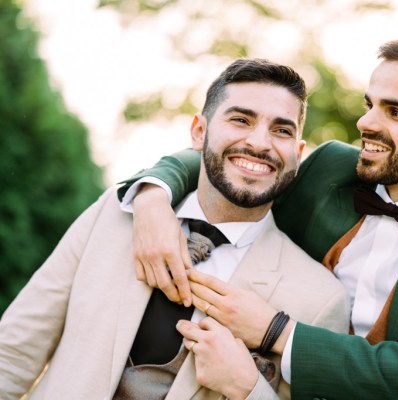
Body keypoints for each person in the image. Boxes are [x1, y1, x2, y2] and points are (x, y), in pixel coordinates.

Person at [118, 38, 398, 399]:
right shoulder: (329, 169)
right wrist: (154, 196)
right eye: (370, 105)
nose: (366, 123)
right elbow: (234, 159)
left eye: (395, 113)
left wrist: (275, 332)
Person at [0, 59, 350, 400]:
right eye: (241, 119)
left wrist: (249, 389)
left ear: (298, 152)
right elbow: (14, 352)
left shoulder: (320, 301)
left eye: (281, 130)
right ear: (199, 132)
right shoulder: (115, 215)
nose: (260, 143)